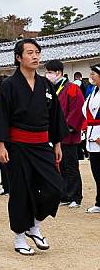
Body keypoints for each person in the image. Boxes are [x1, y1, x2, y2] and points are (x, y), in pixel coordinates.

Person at [0, 38, 68, 256]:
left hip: (42, 144)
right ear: (18, 57)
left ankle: (34, 224)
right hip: (17, 145)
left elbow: (55, 116)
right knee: (21, 191)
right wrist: (1, 145)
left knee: (55, 187)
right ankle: (20, 237)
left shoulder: (46, 85)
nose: (35, 56)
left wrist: (57, 143)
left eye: (37, 52)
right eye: (30, 52)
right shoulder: (9, 86)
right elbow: (0, 116)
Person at [45, 60, 85, 208]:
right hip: (55, 136)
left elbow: (77, 110)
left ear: (58, 73)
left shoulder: (72, 88)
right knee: (59, 167)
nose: (47, 74)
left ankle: (75, 195)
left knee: (71, 167)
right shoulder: (51, 89)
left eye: (49, 72)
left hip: (68, 136)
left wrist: (65, 128)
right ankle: (65, 194)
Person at [83, 64, 100, 213]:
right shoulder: (92, 92)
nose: (91, 76)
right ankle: (99, 201)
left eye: (94, 73)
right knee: (96, 171)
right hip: (92, 134)